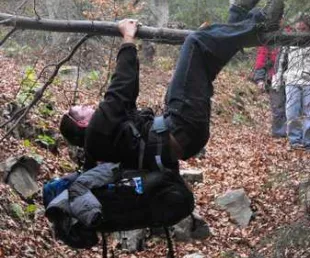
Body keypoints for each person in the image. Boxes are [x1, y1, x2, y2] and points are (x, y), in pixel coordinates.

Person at [60, 0, 284, 171]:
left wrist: (130, 49)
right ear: (81, 123)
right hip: (180, 126)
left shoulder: (102, 140)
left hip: (182, 132)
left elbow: (127, 95)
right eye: (82, 109)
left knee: (205, 58)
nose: (88, 106)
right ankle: (259, 21)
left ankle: (240, 14)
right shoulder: (97, 129)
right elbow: (121, 87)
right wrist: (127, 39)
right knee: (195, 42)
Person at [276, 14, 310, 149]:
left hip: (308, 81)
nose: (300, 31)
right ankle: (295, 140)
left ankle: (308, 142)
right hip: (291, 80)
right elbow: (281, 62)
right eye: (298, 29)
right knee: (291, 112)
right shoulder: (289, 41)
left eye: (304, 29)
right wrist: (277, 80)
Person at [253, 42, 287, 138]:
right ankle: (279, 134)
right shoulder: (268, 42)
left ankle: (293, 133)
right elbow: (261, 61)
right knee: (278, 107)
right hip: (274, 78)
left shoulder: (291, 35)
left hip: (293, 78)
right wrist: (260, 79)